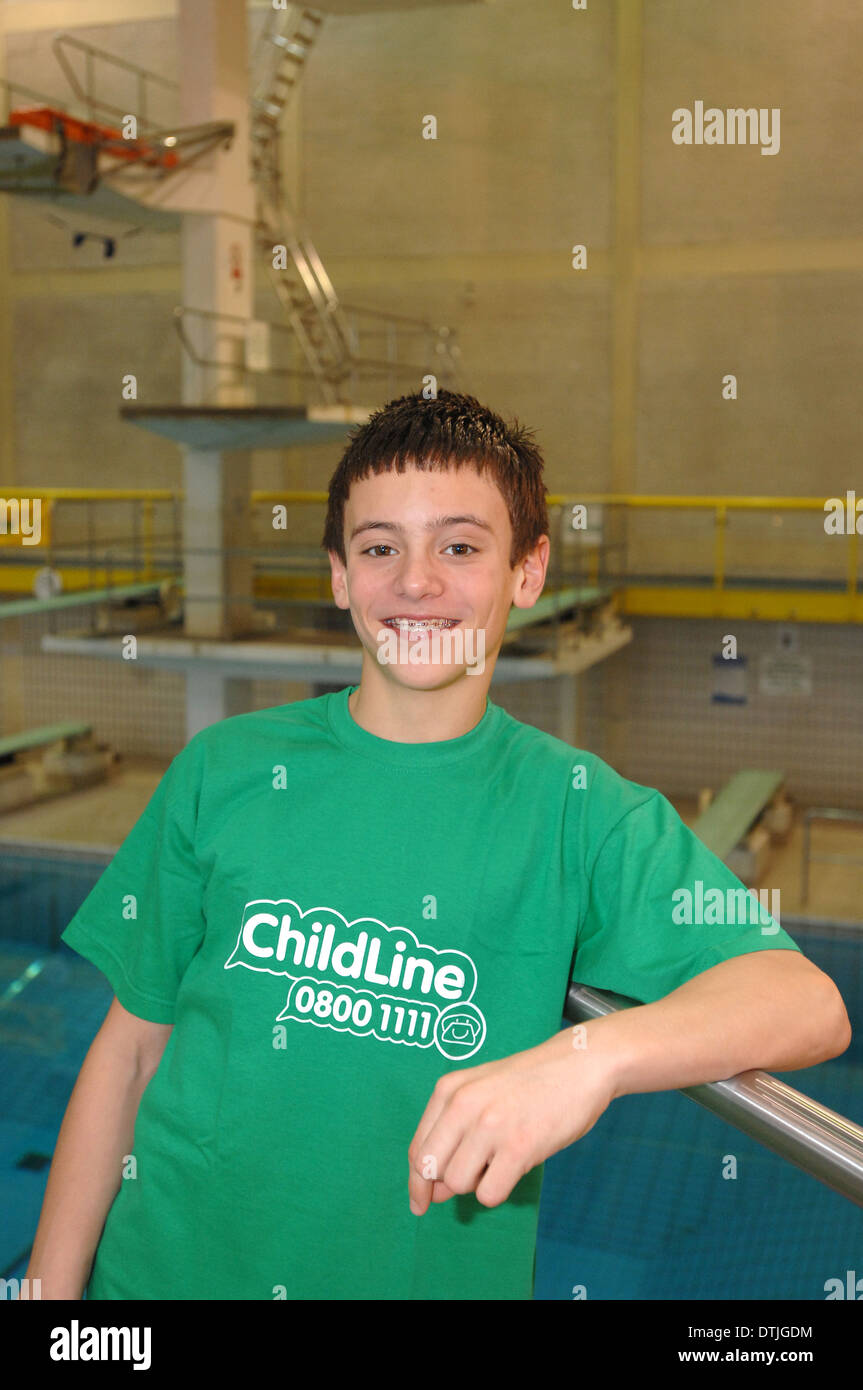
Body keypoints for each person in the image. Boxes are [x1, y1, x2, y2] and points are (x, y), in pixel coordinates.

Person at [23, 390, 850, 1301]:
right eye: (380, 547)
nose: (415, 582)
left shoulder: (579, 813)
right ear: (340, 575)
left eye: (458, 546)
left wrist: (584, 1061)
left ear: (527, 571)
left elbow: (804, 1003)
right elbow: (130, 1052)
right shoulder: (226, 768)